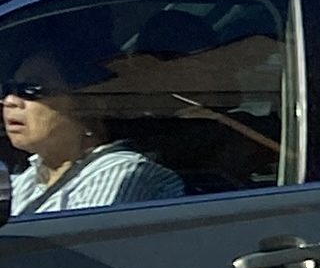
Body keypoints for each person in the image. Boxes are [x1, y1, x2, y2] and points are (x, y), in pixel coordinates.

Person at [4, 33, 187, 218]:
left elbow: (78, 241)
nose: (10, 101)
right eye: (7, 89)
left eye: (31, 89)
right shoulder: (28, 178)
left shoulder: (122, 172)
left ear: (88, 105)